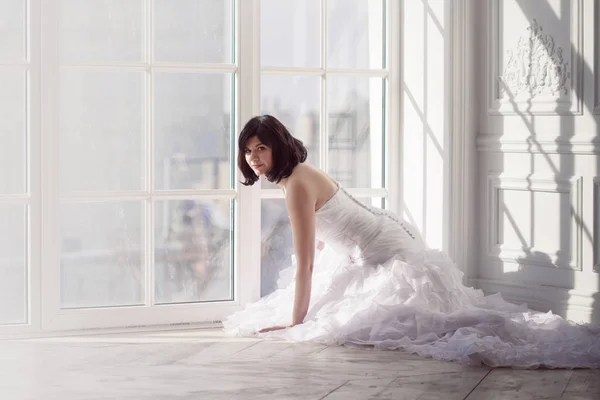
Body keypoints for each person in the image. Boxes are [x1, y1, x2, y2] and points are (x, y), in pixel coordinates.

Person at [223, 115, 600, 368]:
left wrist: (295, 320)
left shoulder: (297, 184)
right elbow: (324, 236)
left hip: (388, 250)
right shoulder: (298, 175)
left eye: (261, 148)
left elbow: (304, 262)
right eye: (248, 149)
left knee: (422, 322)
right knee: (336, 304)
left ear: (279, 147)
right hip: (380, 236)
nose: (253, 157)